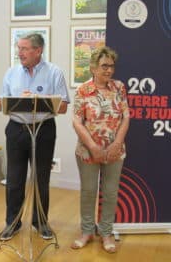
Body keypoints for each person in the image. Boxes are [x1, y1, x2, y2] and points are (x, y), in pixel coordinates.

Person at [0, 33, 70, 241]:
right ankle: (12, 223)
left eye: (24, 48)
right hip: (16, 130)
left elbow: (63, 107)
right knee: (14, 180)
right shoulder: (11, 73)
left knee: (40, 179)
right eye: (18, 48)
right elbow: (0, 103)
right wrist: (11, 101)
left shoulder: (54, 72)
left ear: (38, 51)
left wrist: (38, 99)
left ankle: (41, 223)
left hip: (43, 130)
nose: (19, 53)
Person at [71, 46, 130, 253]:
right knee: (88, 192)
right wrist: (94, 147)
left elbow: (126, 117)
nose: (109, 70)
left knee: (110, 192)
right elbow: (77, 121)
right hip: (88, 151)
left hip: (115, 152)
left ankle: (106, 232)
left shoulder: (119, 87)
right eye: (104, 66)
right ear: (93, 67)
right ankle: (87, 231)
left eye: (112, 66)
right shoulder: (83, 90)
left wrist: (116, 144)